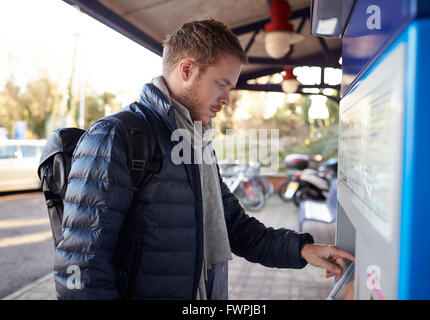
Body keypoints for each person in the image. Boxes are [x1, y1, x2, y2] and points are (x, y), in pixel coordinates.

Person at [54, 18, 354, 300]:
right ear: (186, 70)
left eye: (230, 87)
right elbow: (81, 262)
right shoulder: (116, 136)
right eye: (221, 84)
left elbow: (234, 226)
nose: (227, 98)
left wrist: (303, 250)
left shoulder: (195, 141)